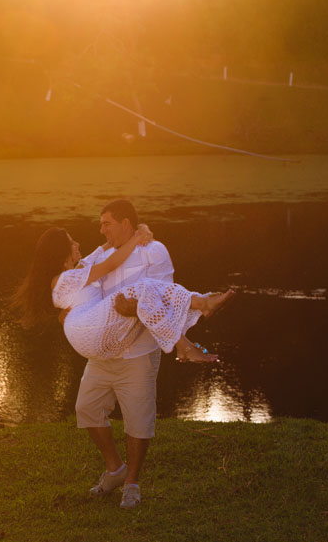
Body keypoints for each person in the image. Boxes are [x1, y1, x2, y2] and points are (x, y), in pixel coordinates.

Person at [12, 199, 234, 509]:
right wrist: (130, 242)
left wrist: (134, 301)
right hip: (100, 343)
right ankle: (195, 317)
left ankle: (130, 481)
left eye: (106, 224)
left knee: (138, 420)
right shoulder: (92, 262)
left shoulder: (154, 251)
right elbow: (100, 267)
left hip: (136, 350)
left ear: (125, 222)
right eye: (100, 225)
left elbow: (157, 291)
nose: (99, 231)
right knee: (87, 409)